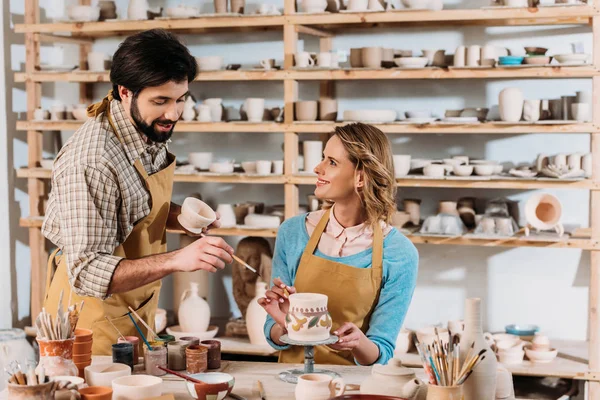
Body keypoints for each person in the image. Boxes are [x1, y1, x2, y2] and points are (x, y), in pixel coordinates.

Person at [42, 29, 234, 355]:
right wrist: (178, 259)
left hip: (133, 310)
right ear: (125, 92)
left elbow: (134, 205)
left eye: (180, 99)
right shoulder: (92, 161)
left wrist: (180, 218)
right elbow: (88, 272)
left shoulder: (146, 126)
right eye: (161, 101)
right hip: (90, 323)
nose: (173, 114)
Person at [259, 123, 419, 366]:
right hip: (292, 382)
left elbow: (381, 351)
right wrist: (285, 323)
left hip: (352, 388)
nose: (317, 168)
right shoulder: (292, 232)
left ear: (361, 177)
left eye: (331, 162)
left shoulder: (400, 253)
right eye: (323, 158)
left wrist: (358, 343)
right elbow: (273, 332)